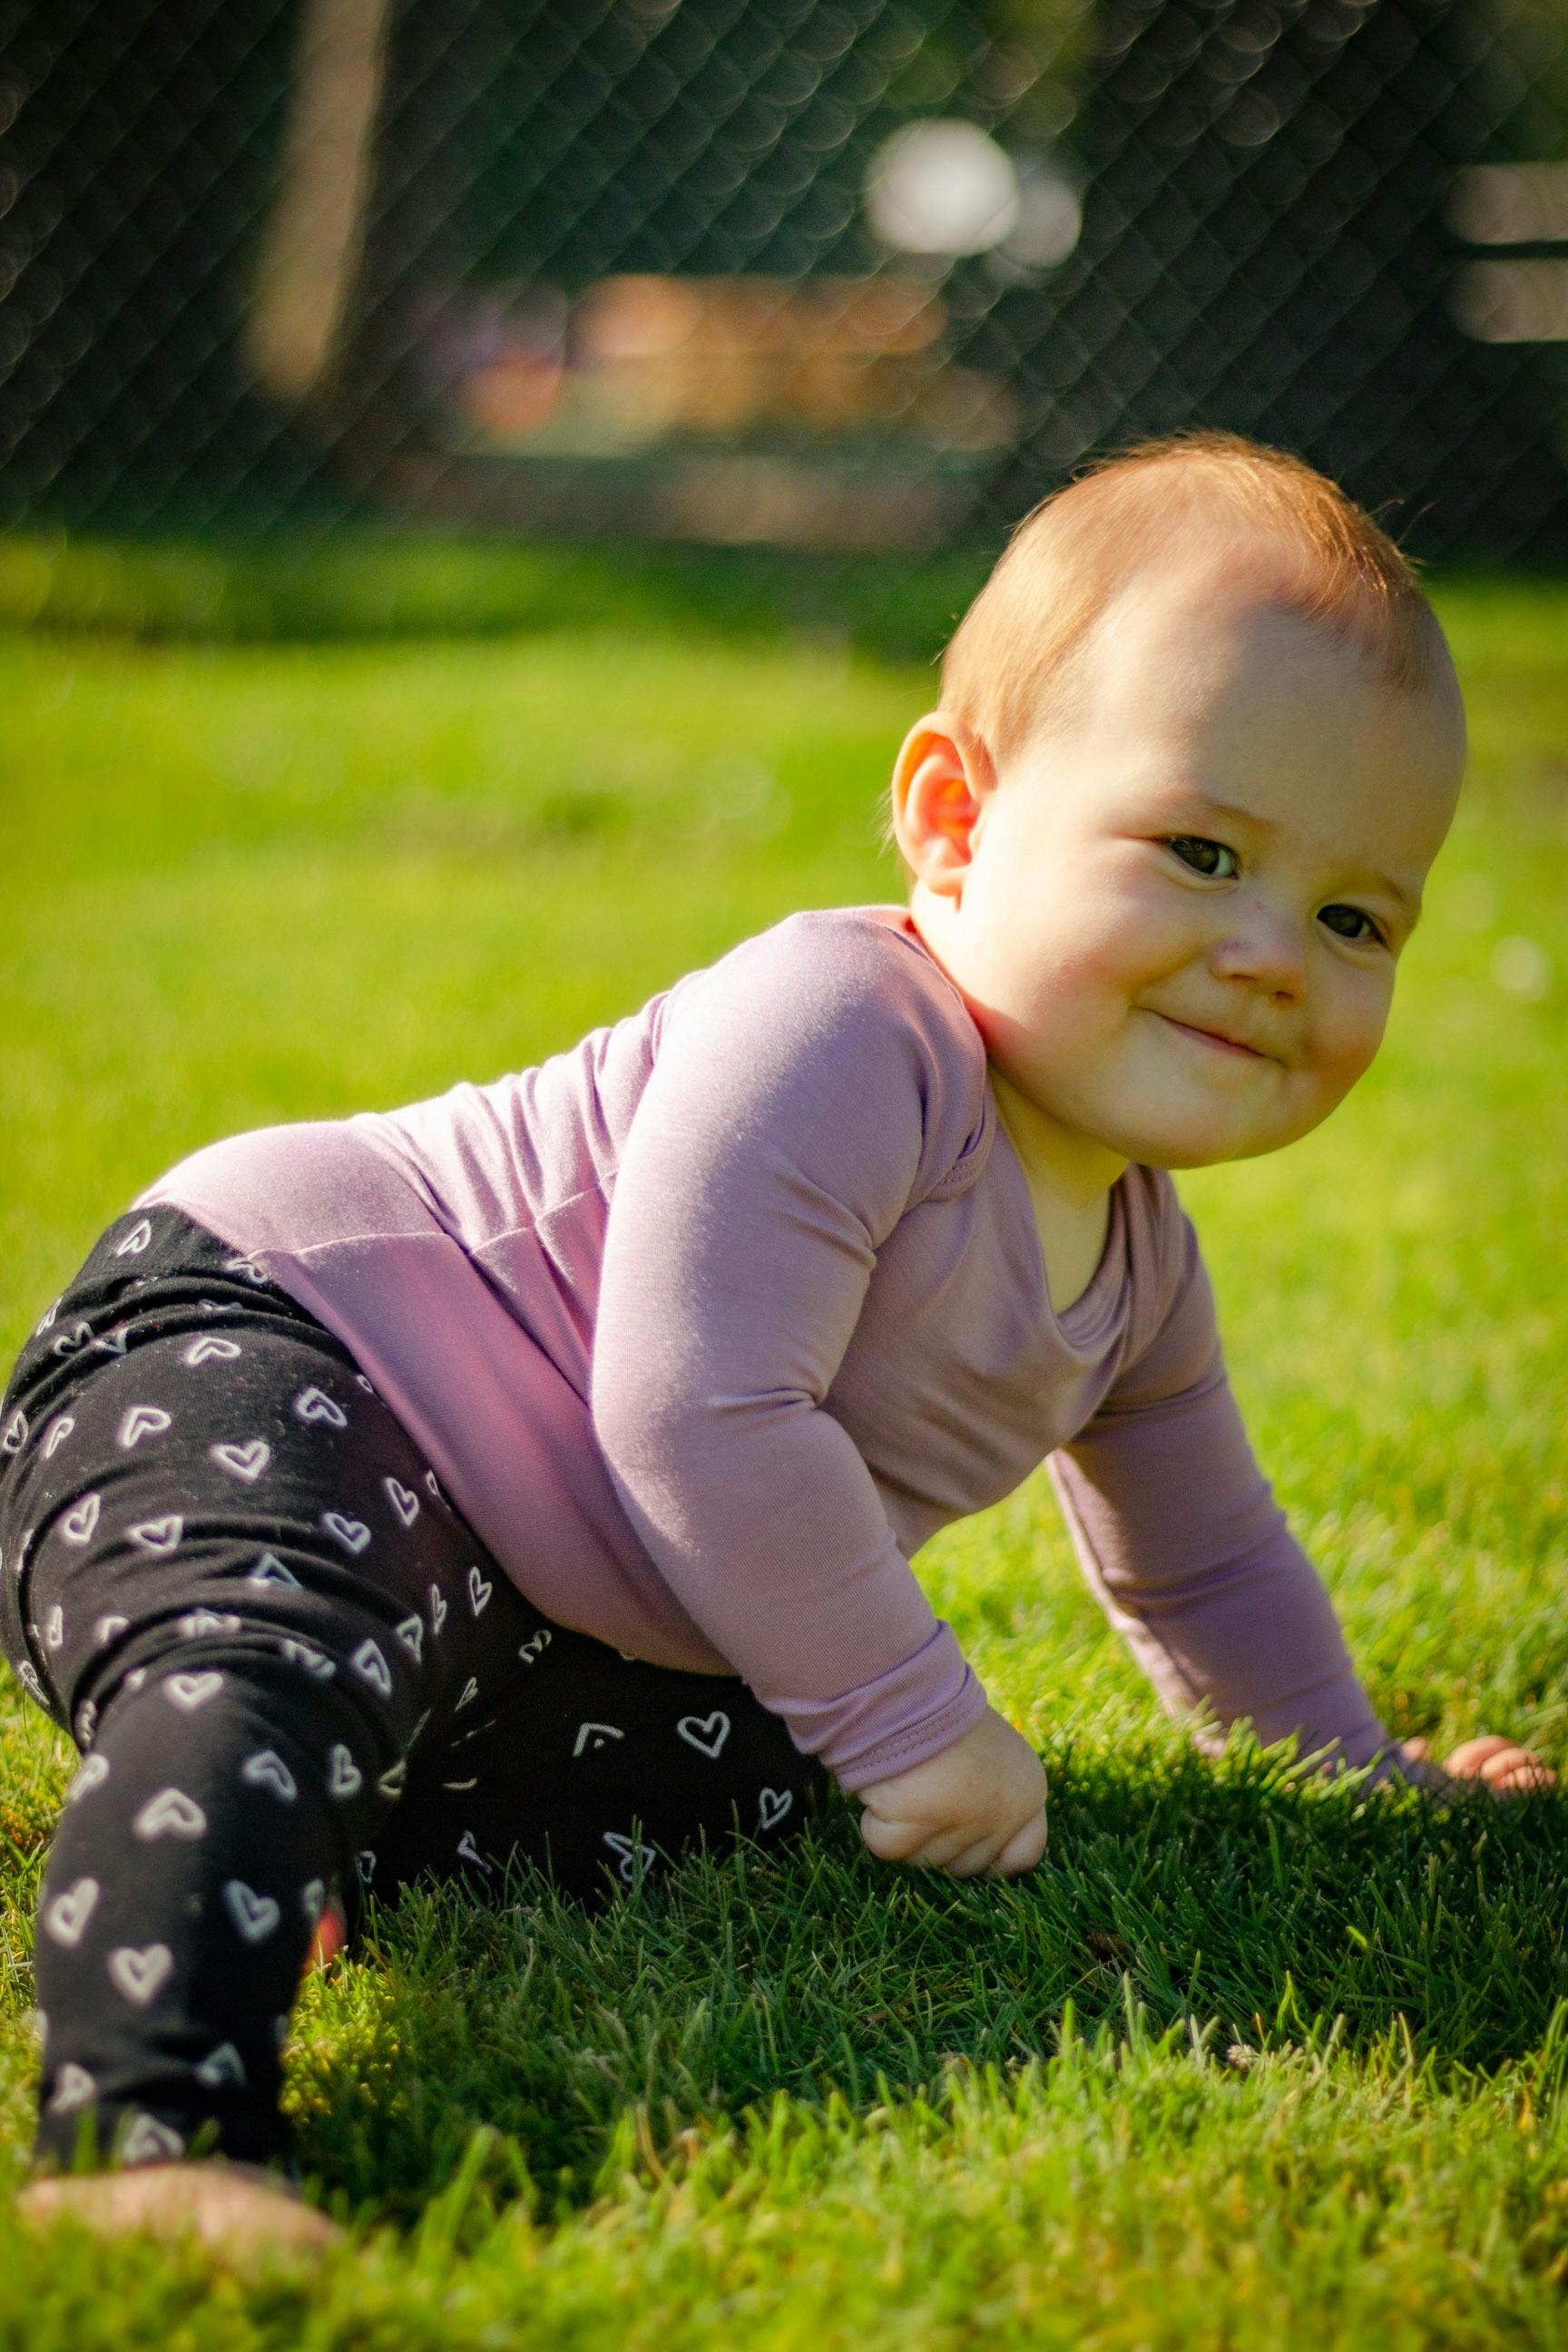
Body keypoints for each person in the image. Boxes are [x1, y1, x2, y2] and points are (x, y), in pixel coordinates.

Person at [2, 432, 1549, 2253]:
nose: (1273, 953)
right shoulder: (845, 1025)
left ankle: (342, 1826)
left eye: (1353, 915)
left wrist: (1354, 1767)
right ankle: (146, 2131)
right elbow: (698, 1407)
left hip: (556, 1583)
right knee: (274, 1649)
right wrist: (919, 1724)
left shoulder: (1140, 1262)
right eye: (1200, 850)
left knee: (748, 1786)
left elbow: (1207, 1561)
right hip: (293, 1355)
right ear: (957, 822)